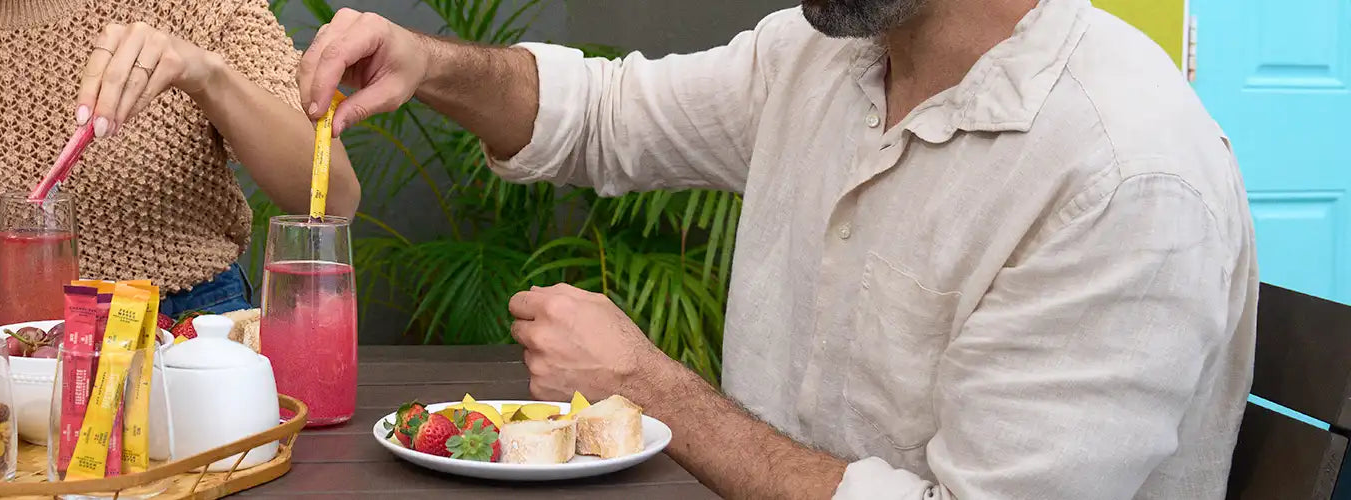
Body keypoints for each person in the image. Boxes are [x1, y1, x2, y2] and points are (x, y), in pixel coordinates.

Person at [297, 0, 1255, 498]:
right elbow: (604, 115)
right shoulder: (825, 57)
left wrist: (648, 386)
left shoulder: (1124, 176)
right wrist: (429, 64)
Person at [0, 0, 358, 321]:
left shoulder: (197, 5)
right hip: (4, 356)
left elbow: (333, 198)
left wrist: (205, 74)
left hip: (196, 334)